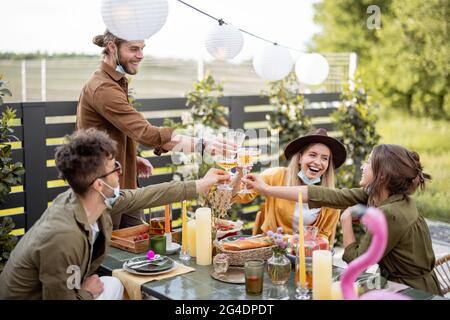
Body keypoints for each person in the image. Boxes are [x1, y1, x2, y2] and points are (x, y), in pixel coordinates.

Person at [0, 128, 229, 299]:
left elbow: (147, 195)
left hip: (69, 289)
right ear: (99, 184)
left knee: (112, 284)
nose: (120, 171)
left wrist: (201, 183)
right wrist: (86, 293)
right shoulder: (62, 236)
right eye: (115, 167)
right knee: (105, 285)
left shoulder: (90, 202)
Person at [76, 29, 235, 229]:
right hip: (103, 190)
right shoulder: (103, 88)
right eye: (134, 49)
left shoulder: (114, 82)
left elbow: (107, 132)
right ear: (111, 47)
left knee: (139, 245)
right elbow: (146, 133)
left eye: (142, 48)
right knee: (108, 255)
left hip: (124, 182)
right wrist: (203, 145)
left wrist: (130, 159)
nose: (141, 55)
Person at [242, 144, 443, 295]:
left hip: (414, 292)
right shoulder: (383, 196)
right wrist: (267, 189)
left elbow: (357, 263)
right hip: (398, 285)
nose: (363, 167)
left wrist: (345, 221)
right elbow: (324, 195)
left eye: (369, 163)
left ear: (382, 176)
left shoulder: (389, 213)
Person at [231, 128, 346, 246]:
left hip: (306, 255)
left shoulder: (331, 198)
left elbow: (324, 237)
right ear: (300, 158)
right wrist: (239, 174)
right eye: (312, 155)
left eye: (324, 158)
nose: (317, 162)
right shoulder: (275, 176)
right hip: (271, 250)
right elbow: (237, 196)